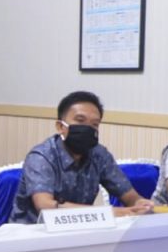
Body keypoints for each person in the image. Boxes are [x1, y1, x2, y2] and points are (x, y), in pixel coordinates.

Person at [10, 91, 153, 224]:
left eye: (94, 124)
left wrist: (139, 203)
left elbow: (130, 196)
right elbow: (45, 206)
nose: (87, 129)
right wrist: (111, 213)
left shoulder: (99, 154)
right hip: (33, 232)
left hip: (80, 230)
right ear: (60, 127)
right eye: (80, 121)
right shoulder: (41, 157)